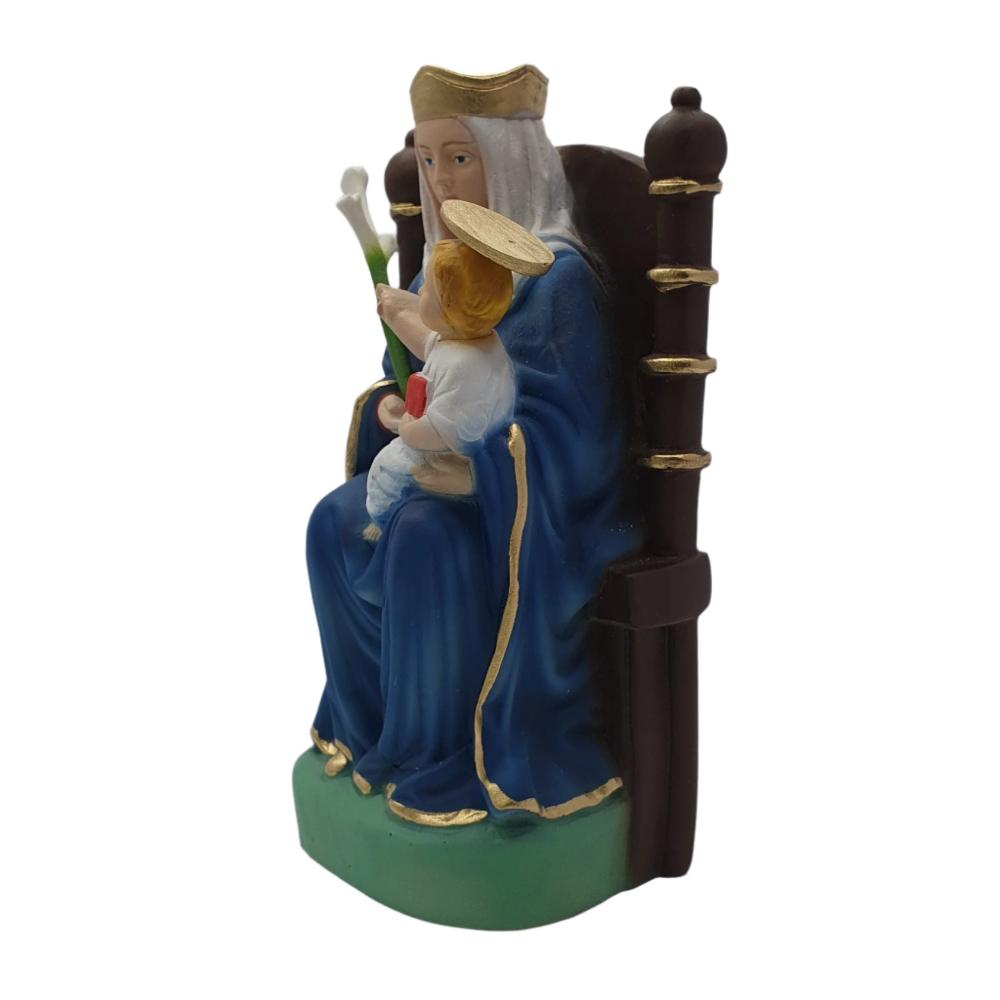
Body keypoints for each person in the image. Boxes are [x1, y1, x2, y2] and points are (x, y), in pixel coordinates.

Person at [306, 65, 638, 825]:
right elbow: (430, 373)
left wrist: (488, 470)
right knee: (331, 520)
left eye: (460, 157)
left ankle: (438, 750)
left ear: (510, 159)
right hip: (433, 469)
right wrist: (393, 404)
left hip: (534, 514)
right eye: (428, 159)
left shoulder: (555, 278)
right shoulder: (444, 262)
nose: (441, 179)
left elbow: (583, 435)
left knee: (424, 537)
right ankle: (369, 728)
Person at [365, 226, 529, 536]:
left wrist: (407, 427)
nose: (420, 292)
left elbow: (444, 430)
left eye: (428, 289)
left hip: (452, 453)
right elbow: (426, 343)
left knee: (388, 468)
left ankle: (382, 521)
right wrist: (394, 314)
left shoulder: (464, 365)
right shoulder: (472, 341)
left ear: (450, 308)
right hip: (443, 439)